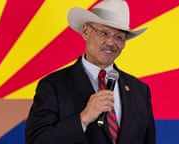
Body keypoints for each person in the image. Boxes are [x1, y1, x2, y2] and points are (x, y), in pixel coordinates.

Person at [25, 0, 156, 144]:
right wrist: (84, 118)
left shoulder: (139, 90)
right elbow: (36, 141)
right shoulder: (53, 86)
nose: (111, 43)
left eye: (119, 37)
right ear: (86, 31)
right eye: (104, 33)